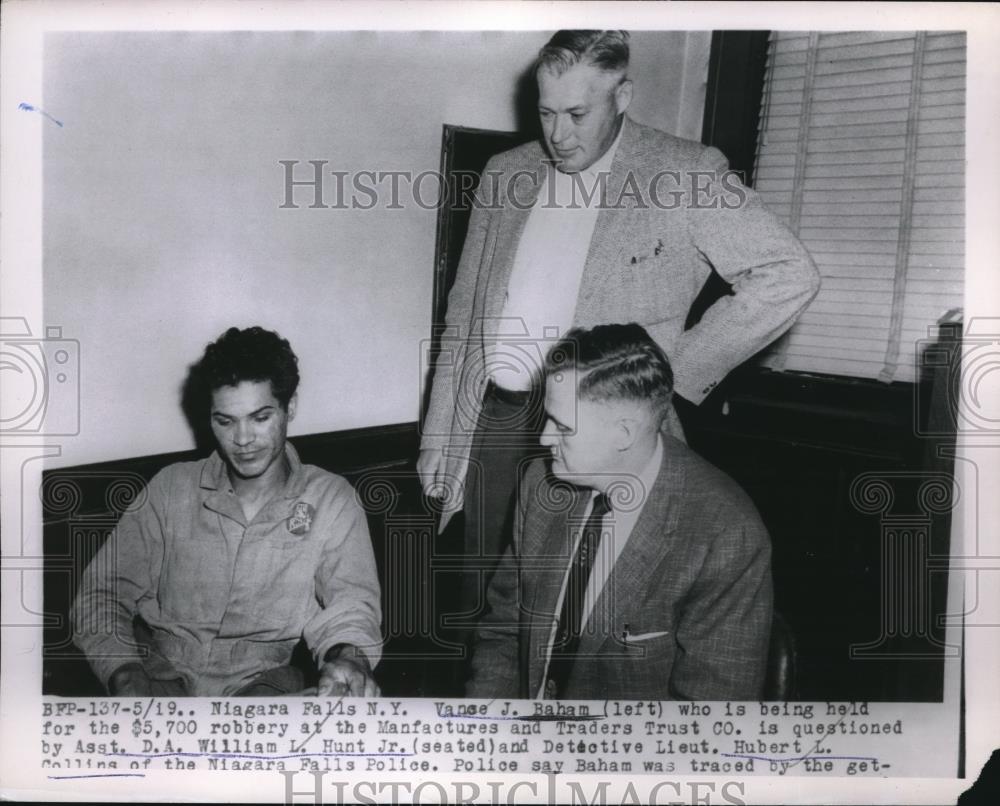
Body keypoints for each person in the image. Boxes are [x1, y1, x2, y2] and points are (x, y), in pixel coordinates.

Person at [418, 30, 817, 645]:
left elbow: (787, 274)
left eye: (578, 113)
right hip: (496, 425)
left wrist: (667, 376)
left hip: (606, 434)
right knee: (489, 618)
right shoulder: (505, 174)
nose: (558, 134)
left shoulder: (684, 173)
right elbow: (464, 318)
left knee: (582, 624)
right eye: (547, 113)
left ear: (623, 94)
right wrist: (439, 437)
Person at [467, 323, 773, 700]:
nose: (544, 438)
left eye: (563, 427)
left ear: (624, 434)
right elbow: (503, 630)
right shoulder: (541, 482)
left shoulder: (725, 532)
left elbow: (709, 718)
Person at [71, 326, 382, 697]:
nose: (243, 439)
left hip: (264, 687)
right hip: (159, 676)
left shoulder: (331, 499)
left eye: (260, 417)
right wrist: (123, 671)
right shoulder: (170, 489)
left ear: (290, 407)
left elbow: (350, 606)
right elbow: (101, 591)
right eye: (225, 421)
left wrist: (350, 658)